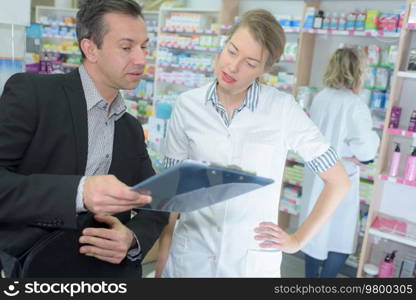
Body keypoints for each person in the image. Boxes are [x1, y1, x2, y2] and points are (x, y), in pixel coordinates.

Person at [155, 9, 351, 278]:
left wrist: (298, 240)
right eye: (232, 51)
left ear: (264, 69)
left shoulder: (282, 110)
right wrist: (165, 248)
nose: (232, 66)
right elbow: (173, 191)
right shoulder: (187, 105)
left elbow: (339, 180)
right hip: (191, 256)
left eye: (250, 62)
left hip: (250, 263)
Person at [0, 0, 168, 278]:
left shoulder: (129, 128)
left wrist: (132, 238)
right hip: (36, 268)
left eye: (144, 47)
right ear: (90, 48)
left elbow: (156, 201)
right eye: (126, 47)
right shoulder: (33, 95)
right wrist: (79, 192)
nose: (140, 59)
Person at [299, 48, 380, 278]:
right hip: (341, 178)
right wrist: (362, 152)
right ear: (358, 72)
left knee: (314, 231)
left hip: (318, 174)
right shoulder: (355, 105)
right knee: (340, 240)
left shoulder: (320, 97)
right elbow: (366, 151)